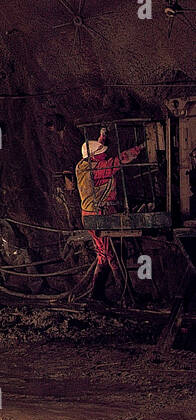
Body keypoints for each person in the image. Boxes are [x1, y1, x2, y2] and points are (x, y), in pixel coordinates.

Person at [75, 128, 144, 298]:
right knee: (111, 254)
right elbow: (116, 162)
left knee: (102, 256)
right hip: (98, 217)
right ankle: (126, 294)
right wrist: (140, 148)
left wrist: (102, 137)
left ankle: (96, 295)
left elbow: (97, 152)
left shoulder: (83, 164)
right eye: (101, 153)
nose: (105, 154)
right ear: (93, 157)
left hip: (91, 215)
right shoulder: (94, 170)